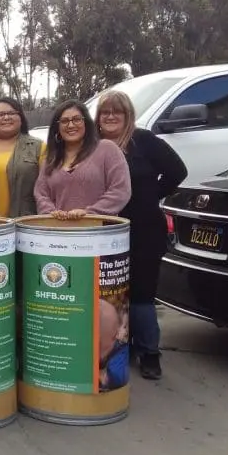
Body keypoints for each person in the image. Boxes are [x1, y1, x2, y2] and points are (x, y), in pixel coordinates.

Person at [97, 90, 187, 380]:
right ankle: (123, 345)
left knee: (141, 295)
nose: (110, 117)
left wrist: (151, 195)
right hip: (105, 231)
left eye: (117, 112)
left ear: (128, 116)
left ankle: (150, 353)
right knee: (112, 295)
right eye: (104, 112)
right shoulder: (93, 147)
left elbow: (177, 171)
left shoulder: (144, 141)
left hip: (145, 229)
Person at [35, 100, 132, 220]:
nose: (70, 125)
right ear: (57, 127)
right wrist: (51, 213)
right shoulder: (50, 159)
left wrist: (89, 213)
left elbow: (120, 190)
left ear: (86, 122)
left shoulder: (107, 149)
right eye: (64, 121)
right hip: (59, 233)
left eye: (77, 119)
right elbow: (41, 194)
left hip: (99, 232)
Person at [0, 97, 46, 217]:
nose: (6, 117)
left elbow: (46, 189)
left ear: (21, 118)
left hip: (24, 224)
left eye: (12, 113)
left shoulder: (38, 147)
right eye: (0, 114)